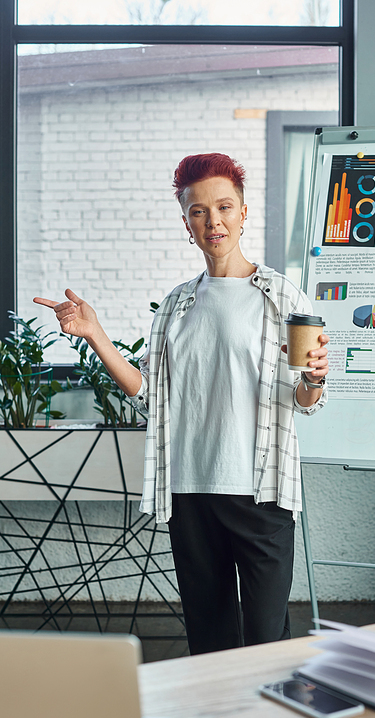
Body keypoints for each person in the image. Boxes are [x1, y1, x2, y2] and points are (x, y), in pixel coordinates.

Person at [34, 153, 329, 655]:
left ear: (242, 213)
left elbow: (303, 399)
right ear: (186, 222)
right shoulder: (176, 305)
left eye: (224, 207)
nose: (213, 221)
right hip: (190, 490)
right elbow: (149, 391)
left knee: (266, 642)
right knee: (209, 644)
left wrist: (315, 379)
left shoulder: (280, 296)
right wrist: (94, 333)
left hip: (261, 493)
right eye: (198, 211)